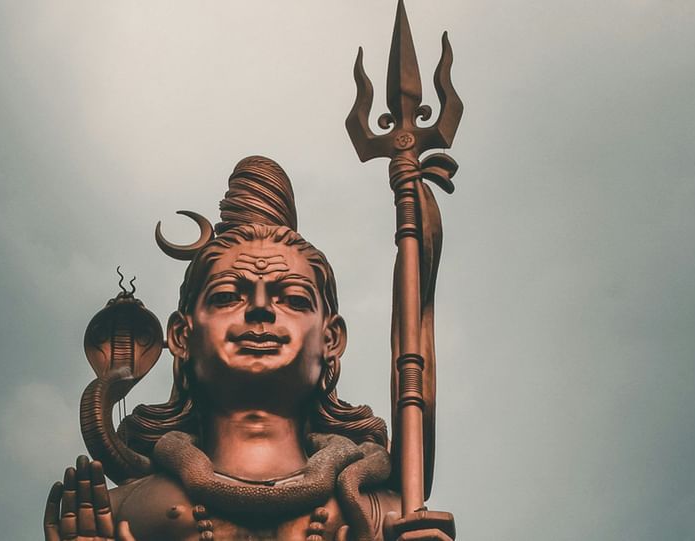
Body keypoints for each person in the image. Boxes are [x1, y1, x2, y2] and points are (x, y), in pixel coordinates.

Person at [44, 156, 454, 540]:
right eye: (227, 296)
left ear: (331, 338)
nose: (260, 310)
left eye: (292, 299)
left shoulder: (383, 514)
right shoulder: (119, 513)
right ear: (181, 336)